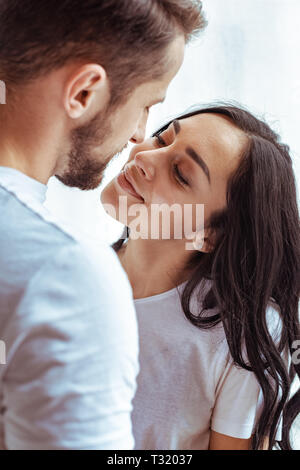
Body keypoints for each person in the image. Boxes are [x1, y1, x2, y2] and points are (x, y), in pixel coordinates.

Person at [0, 0, 207, 450]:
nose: (138, 136)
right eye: (147, 106)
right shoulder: (66, 271)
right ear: (83, 93)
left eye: (183, 173)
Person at [101, 104, 300, 450]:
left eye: (180, 173)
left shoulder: (241, 333)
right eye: (162, 139)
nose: (145, 158)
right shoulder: (64, 272)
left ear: (210, 235)